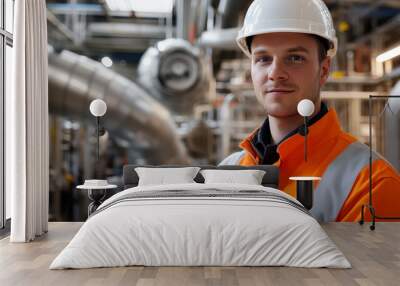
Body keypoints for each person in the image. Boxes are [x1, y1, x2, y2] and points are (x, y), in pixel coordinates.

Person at [219, 0, 400, 222]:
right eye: (263, 59)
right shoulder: (226, 171)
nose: (275, 73)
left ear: (324, 70)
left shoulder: (372, 183)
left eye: (295, 58)